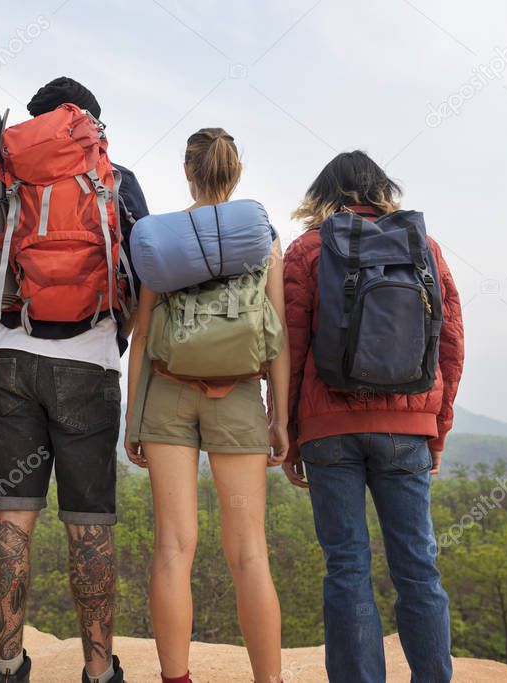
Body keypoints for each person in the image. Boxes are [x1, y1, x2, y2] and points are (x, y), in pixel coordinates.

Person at [0, 77, 148, 683]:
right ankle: (98, 671)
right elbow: (146, 272)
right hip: (91, 362)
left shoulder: (7, 176)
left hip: (14, 357)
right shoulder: (115, 179)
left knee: (12, 519)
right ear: (91, 126)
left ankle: (6, 664)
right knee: (89, 525)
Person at [281, 151, 464, 683]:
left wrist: (290, 436)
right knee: (418, 569)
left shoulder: (308, 250)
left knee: (347, 568)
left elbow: (287, 351)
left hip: (329, 430)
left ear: (324, 194)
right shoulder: (423, 248)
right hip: (407, 428)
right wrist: (438, 430)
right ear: (383, 190)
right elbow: (450, 346)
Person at [125, 128, 289, 683]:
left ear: (187, 171)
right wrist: (279, 417)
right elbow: (279, 335)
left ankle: (176, 678)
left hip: (169, 393)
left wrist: (134, 417)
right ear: (235, 172)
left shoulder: (161, 241)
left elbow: (143, 336)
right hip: (241, 395)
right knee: (249, 554)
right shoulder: (264, 238)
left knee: (174, 547)